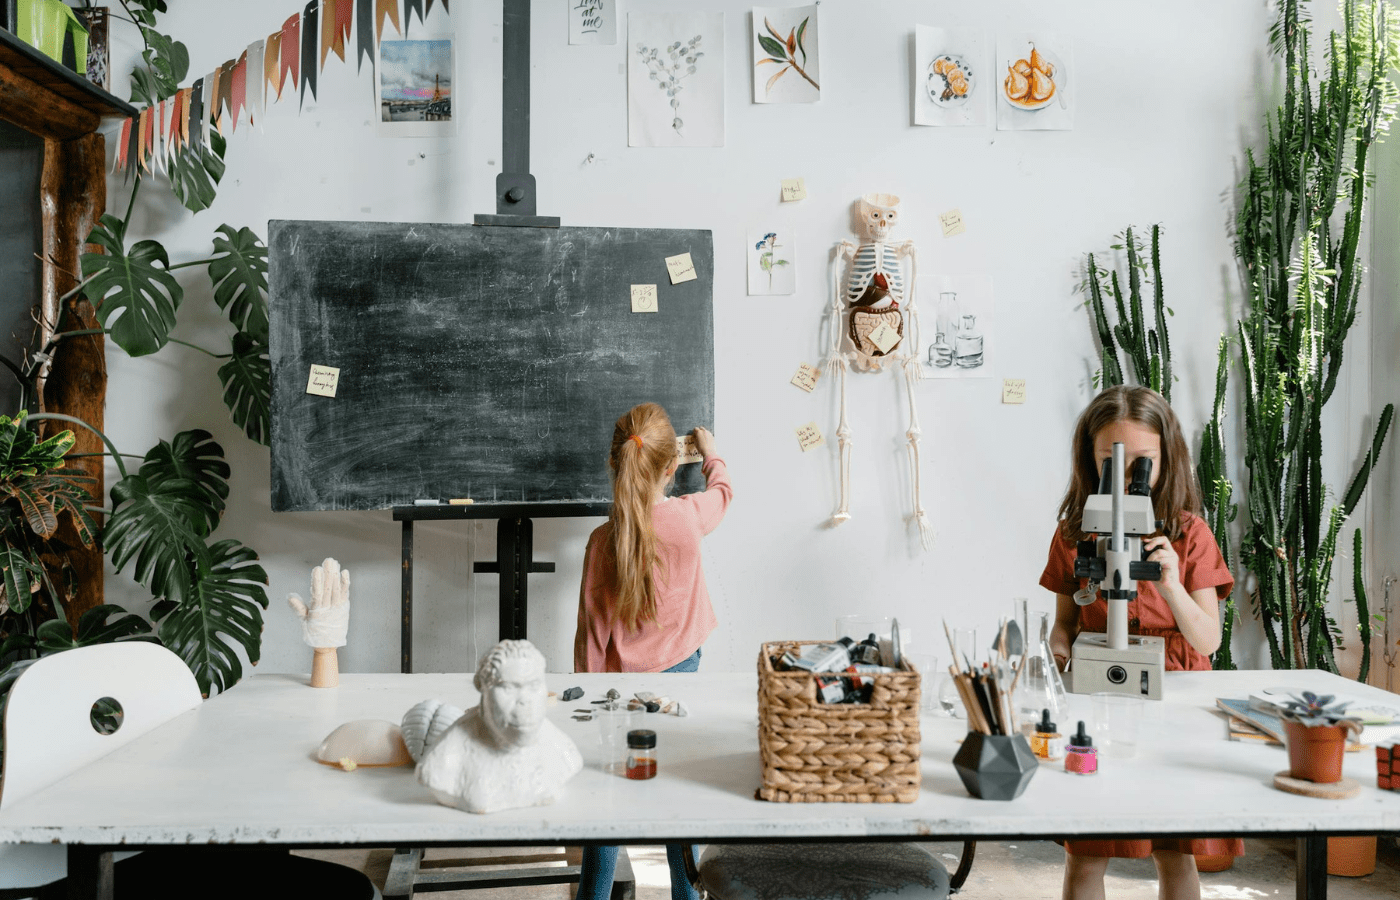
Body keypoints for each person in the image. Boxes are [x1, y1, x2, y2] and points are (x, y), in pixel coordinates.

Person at [1042, 386, 1240, 900]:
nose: (1129, 473)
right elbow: (1064, 623)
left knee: (1175, 855)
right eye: (1112, 460)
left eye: (1141, 463)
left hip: (1175, 697)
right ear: (1091, 458)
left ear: (1165, 458)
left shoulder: (1190, 533)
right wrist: (1060, 654)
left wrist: (1170, 582)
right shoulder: (1074, 534)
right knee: (1088, 853)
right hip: (1101, 703)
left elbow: (1209, 639)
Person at [574, 402, 732, 900]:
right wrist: (710, 455)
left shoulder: (603, 541)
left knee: (608, 799)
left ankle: (594, 897)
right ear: (671, 468)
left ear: (614, 465)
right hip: (682, 672)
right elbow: (724, 494)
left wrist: (589, 701)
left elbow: (591, 633)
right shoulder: (687, 519)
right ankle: (687, 896)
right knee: (677, 792)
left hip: (618, 689)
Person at [416, 640, 582, 814]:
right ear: (484, 689)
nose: (525, 701)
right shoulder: (444, 759)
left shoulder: (561, 749)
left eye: (534, 686)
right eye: (508, 688)